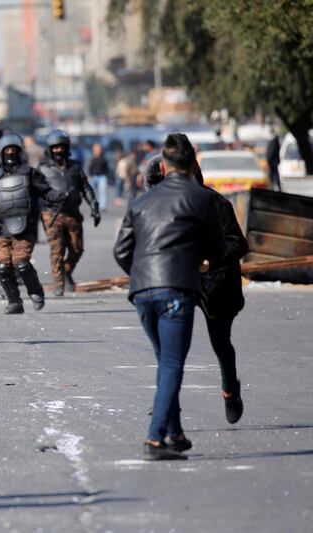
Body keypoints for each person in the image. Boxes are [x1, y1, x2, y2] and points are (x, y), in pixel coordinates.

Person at [114, 133, 226, 461]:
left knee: (166, 362)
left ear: (162, 165)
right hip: (177, 289)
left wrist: (140, 274)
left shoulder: (140, 201)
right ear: (193, 164)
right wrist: (201, 261)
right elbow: (219, 249)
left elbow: (121, 250)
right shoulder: (201, 198)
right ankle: (154, 439)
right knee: (172, 364)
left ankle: (174, 432)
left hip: (142, 291)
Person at [144, 155, 247, 424]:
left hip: (217, 283)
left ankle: (230, 391)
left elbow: (238, 244)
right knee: (172, 351)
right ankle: (166, 406)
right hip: (179, 284)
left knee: (220, 343)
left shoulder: (215, 203)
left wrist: (209, 260)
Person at [0, 134, 64, 314]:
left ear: (19, 151)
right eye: (7, 150)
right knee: (2, 267)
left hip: (25, 227)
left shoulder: (30, 173)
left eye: (13, 150)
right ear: (1, 153)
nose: (10, 153)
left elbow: (47, 192)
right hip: (2, 229)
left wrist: (61, 196)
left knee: (21, 263)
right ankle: (14, 302)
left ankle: (35, 291)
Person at [40, 129, 101, 297]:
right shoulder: (43, 169)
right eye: (55, 148)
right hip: (52, 214)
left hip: (73, 213)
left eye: (61, 147)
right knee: (57, 249)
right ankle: (58, 282)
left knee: (77, 248)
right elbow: (37, 192)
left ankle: (66, 272)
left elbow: (86, 188)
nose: (58, 151)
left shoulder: (75, 167)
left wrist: (94, 207)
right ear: (50, 149)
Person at [87, 143, 111, 211]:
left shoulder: (104, 157)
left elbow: (107, 168)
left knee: (102, 191)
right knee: (92, 192)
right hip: (93, 176)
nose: (99, 150)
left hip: (102, 176)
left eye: (100, 149)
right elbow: (88, 167)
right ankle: (93, 204)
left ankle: (102, 206)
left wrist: (109, 177)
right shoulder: (91, 158)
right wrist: (88, 176)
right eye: (97, 149)